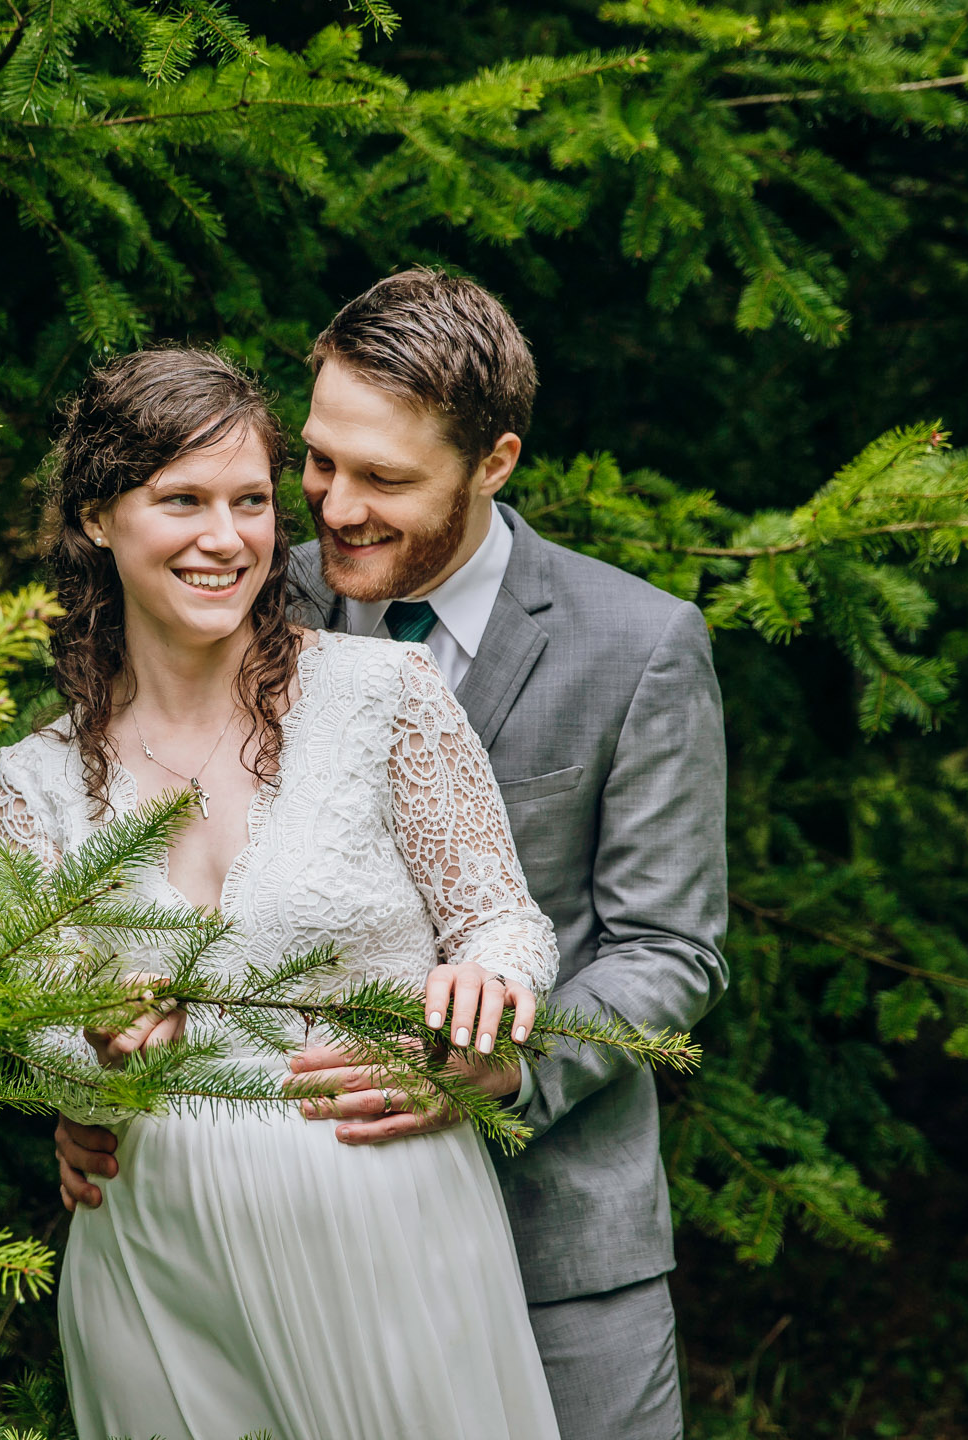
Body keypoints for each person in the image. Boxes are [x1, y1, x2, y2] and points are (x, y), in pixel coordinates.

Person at [56, 271, 730, 1440]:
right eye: (320, 463)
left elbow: (670, 949)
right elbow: (116, 864)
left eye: (386, 480)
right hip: (277, 1255)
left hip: (560, 1235)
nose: (335, 507)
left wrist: (505, 1069)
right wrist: (93, 1075)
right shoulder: (242, 589)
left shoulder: (639, 644)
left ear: (495, 463)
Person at [0, 346, 564, 1440]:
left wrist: (488, 982)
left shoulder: (386, 695)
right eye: (183, 501)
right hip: (154, 1243)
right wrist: (100, 1048)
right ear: (101, 519)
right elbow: (36, 1042)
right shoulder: (37, 782)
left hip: (382, 1213)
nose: (226, 537)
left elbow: (501, 914)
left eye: (251, 501)